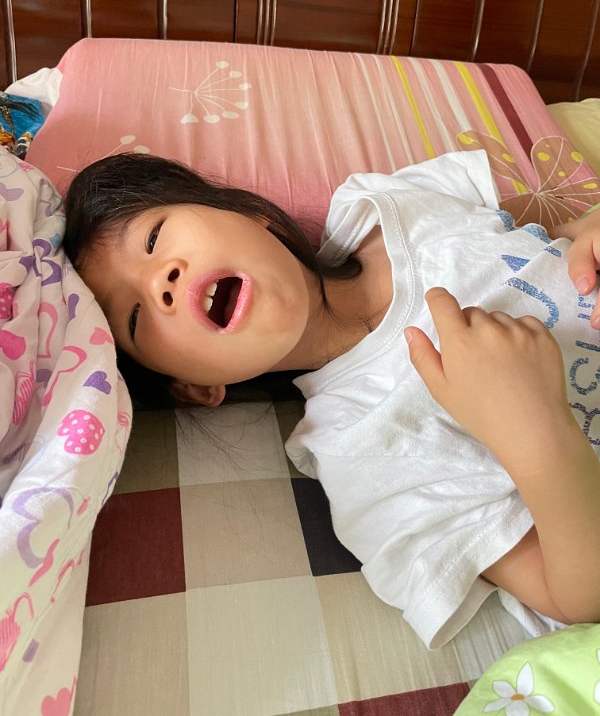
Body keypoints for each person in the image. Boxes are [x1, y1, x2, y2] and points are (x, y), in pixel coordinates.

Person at [63, 149, 600, 648]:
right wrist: (537, 436)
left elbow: (541, 231)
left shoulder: (384, 203)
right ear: (196, 387)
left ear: (249, 215)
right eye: (136, 317)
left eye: (154, 237)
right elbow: (575, 600)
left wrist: (584, 230)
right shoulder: (360, 454)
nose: (161, 281)